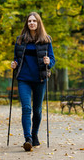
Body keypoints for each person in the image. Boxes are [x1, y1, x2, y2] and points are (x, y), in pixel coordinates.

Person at [11, 12, 55, 152]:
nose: (31, 23)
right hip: (23, 78)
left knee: (37, 110)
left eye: (34, 21)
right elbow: (17, 58)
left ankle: (35, 133)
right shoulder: (20, 40)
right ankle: (28, 138)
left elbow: (52, 59)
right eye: (29, 21)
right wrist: (14, 63)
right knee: (26, 108)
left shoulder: (46, 40)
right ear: (26, 23)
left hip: (39, 78)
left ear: (38, 23)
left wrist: (49, 62)